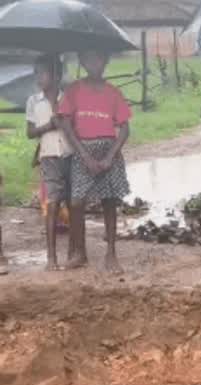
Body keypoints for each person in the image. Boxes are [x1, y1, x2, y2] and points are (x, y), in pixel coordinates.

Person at [58, 49, 132, 273]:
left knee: (109, 202)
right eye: (89, 58)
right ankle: (80, 252)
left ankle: (111, 254)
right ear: (82, 61)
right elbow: (66, 126)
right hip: (83, 150)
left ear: (106, 61)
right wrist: (84, 155)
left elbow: (125, 129)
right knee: (77, 202)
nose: (95, 62)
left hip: (109, 150)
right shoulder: (73, 91)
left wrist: (110, 156)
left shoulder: (113, 92)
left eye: (99, 57)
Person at [26, 54, 71, 271]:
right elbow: (30, 132)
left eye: (43, 73)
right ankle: (51, 258)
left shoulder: (67, 99)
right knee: (51, 203)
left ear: (57, 75)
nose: (38, 78)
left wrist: (61, 117)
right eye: (37, 73)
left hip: (70, 155)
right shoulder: (33, 101)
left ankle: (75, 252)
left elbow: (75, 128)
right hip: (49, 157)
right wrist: (47, 126)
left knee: (73, 203)